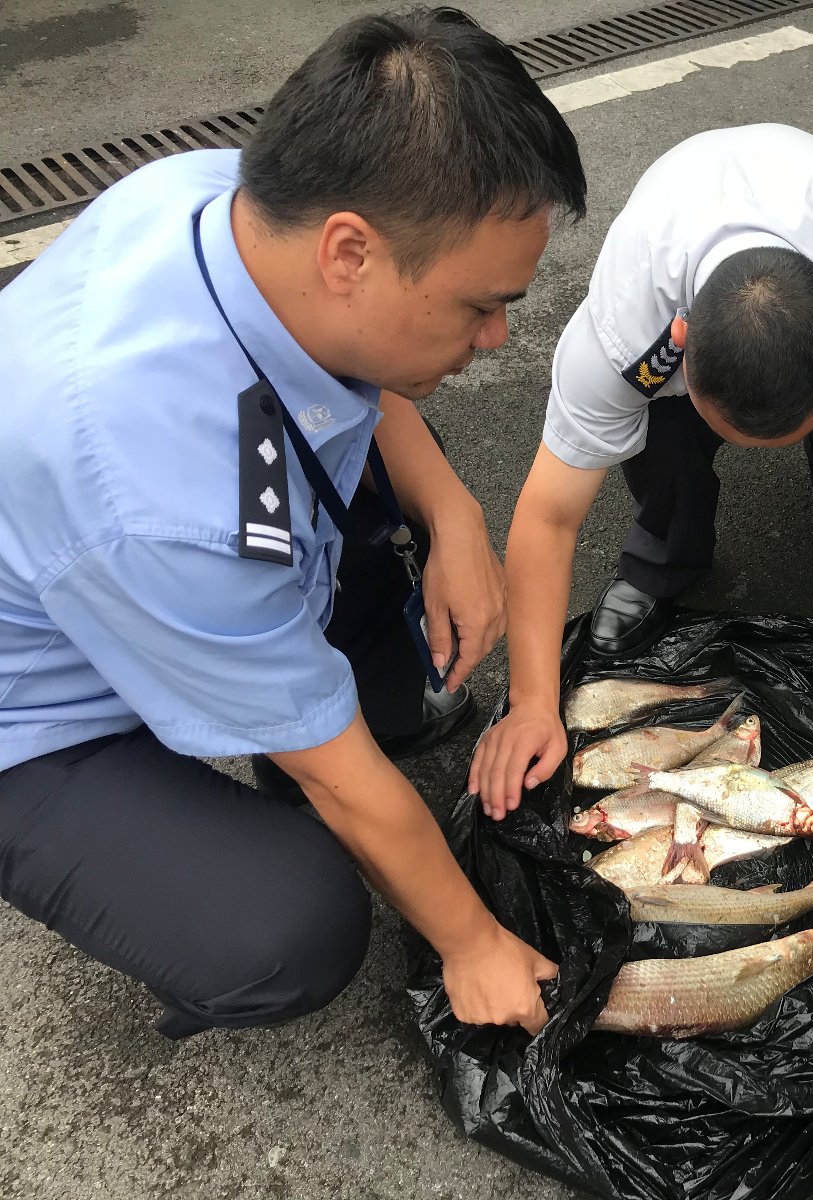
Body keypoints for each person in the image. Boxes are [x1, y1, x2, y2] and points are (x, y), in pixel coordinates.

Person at [0, 8, 586, 1040]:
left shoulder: (236, 206)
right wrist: (475, 946)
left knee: (365, 515)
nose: (497, 337)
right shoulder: (164, 494)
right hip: (36, 715)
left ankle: (294, 681)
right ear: (351, 251)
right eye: (478, 307)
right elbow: (336, 770)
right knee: (289, 924)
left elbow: (341, 375)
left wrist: (452, 515)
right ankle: (157, 896)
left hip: (153, 526)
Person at [468, 124, 813, 816]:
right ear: (682, 349)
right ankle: (663, 557)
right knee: (654, 441)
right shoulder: (624, 328)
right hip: (694, 317)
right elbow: (549, 512)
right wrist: (533, 701)